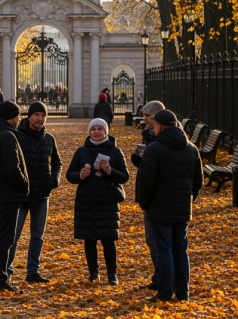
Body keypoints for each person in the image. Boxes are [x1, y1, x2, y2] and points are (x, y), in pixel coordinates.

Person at [136, 110, 203, 303]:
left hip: (160, 209)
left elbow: (146, 183)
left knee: (164, 250)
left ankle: (164, 294)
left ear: (158, 126)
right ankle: (183, 293)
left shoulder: (154, 149)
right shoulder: (191, 148)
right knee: (180, 251)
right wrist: (188, 200)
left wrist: (145, 205)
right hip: (182, 209)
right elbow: (198, 181)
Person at [65, 119, 129, 285]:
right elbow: (69, 175)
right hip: (86, 200)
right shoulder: (81, 151)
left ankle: (112, 274)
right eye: (93, 129)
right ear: (89, 132)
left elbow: (124, 176)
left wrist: (109, 170)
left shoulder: (115, 151)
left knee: (108, 239)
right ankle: (93, 273)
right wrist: (80, 175)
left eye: (100, 129)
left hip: (107, 200)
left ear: (106, 132)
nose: (96, 132)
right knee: (89, 239)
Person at [7, 102, 61, 284]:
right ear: (28, 116)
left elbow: (57, 163)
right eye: (36, 114)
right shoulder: (16, 136)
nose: (40, 118)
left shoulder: (49, 139)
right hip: (21, 196)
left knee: (38, 236)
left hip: (42, 195)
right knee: (13, 236)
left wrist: (54, 181)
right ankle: (6, 271)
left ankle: (33, 271)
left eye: (43, 115)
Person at [0, 101, 29, 294]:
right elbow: (12, 167)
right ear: (13, 116)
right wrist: (24, 185)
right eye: (18, 115)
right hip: (8, 193)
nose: (19, 119)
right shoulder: (8, 136)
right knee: (5, 239)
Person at [130, 100, 165, 291]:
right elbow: (145, 166)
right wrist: (137, 157)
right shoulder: (148, 136)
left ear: (157, 117)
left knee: (159, 240)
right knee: (151, 239)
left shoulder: (162, 138)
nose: (143, 120)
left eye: (146, 116)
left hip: (158, 195)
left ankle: (164, 278)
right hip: (148, 193)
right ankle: (159, 275)